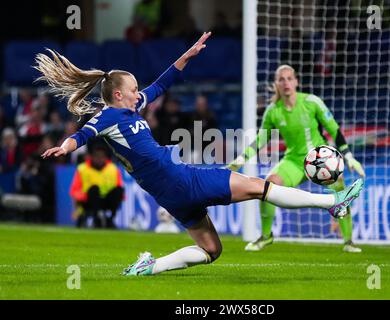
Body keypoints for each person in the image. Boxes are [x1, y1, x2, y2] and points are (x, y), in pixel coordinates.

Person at [37, 32, 363, 276]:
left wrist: (187, 55)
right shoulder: (107, 116)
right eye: (135, 89)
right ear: (119, 94)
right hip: (181, 178)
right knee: (258, 187)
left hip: (169, 193)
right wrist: (63, 147)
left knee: (211, 249)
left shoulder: (132, 107)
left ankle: (149, 267)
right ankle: (332, 203)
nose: (140, 93)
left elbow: (162, 84)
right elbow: (81, 136)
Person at [228, 65, 366, 253]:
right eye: (281, 79)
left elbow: (333, 128)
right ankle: (266, 236)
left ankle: (348, 241)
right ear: (276, 84)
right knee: (267, 185)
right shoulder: (273, 111)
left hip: (319, 158)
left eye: (289, 78)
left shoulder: (311, 102)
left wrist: (348, 156)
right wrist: (242, 158)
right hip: (294, 161)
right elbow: (262, 139)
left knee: (340, 188)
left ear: (296, 81)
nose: (286, 83)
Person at [69, 143, 124, 229]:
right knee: (94, 189)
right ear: (91, 156)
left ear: (106, 157)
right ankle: (97, 218)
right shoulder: (82, 169)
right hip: (88, 201)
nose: (99, 159)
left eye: (102, 156)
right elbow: (74, 191)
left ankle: (110, 219)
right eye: (97, 156)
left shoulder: (113, 169)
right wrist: (85, 196)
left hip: (106, 201)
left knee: (118, 190)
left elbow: (120, 189)